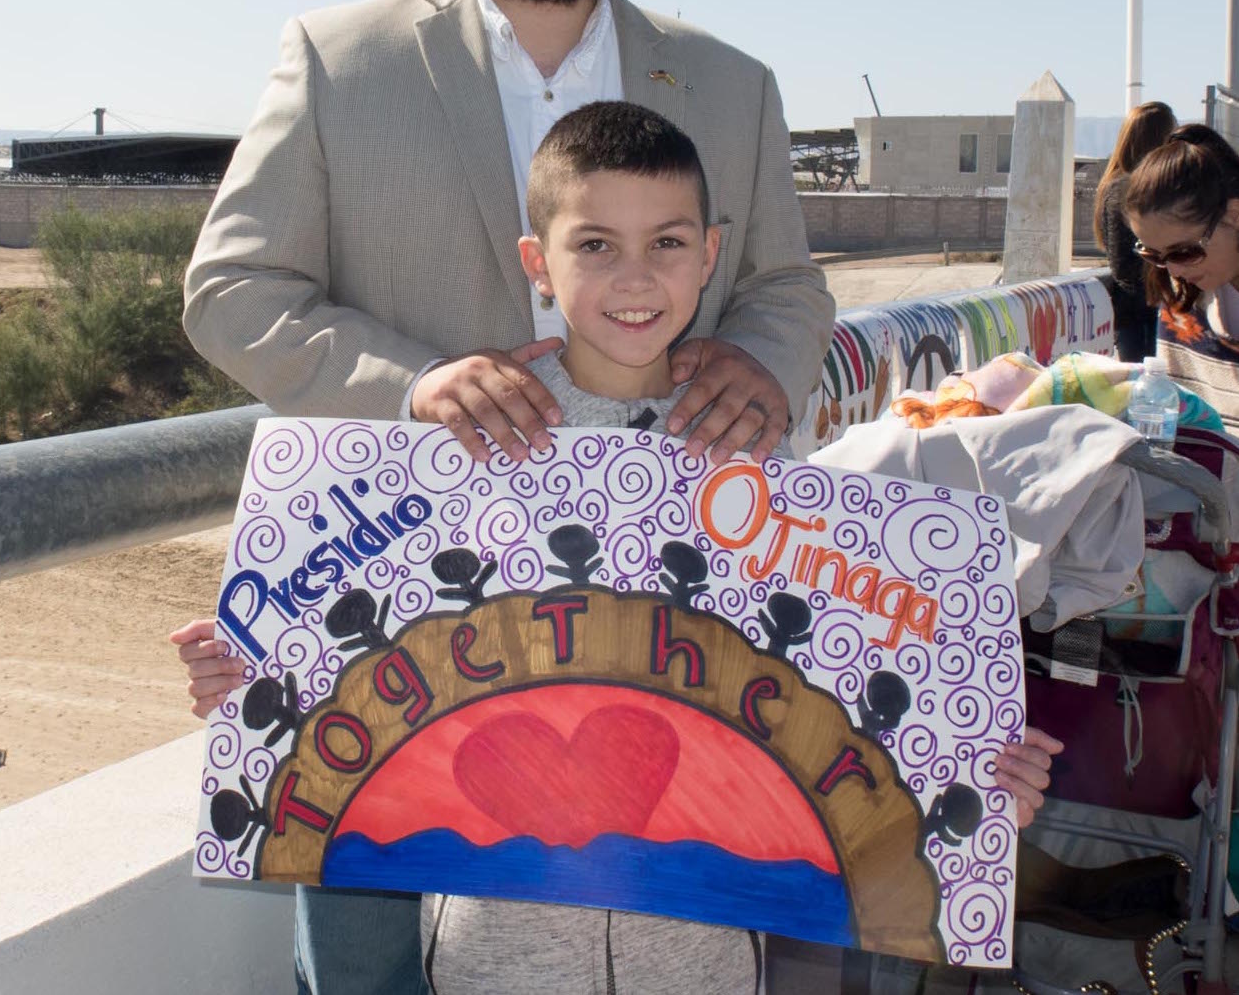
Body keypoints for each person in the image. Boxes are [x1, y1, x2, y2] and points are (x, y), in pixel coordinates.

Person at [178, 0, 837, 995]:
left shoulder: (732, 82)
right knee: (368, 970)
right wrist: (413, 385)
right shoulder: (336, 59)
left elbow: (787, 287)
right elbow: (230, 291)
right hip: (391, 629)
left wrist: (762, 357)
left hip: (650, 634)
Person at [417, 101, 1060, 992]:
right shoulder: (473, 438)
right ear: (538, 263)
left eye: (668, 243)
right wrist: (246, 672)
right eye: (596, 245)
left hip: (704, 950)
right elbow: (373, 639)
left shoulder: (751, 448)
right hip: (491, 943)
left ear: (711, 254)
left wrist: (974, 764)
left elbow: (834, 660)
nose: (635, 277)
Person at [1122, 122, 1239, 432]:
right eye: (1153, 255)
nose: (1172, 269)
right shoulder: (1178, 293)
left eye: (1183, 252)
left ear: (1235, 216)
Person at [1093, 101, 1176, 362]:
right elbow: (1124, 268)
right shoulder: (1123, 189)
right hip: (1141, 320)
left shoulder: (1124, 186)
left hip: (1146, 316)